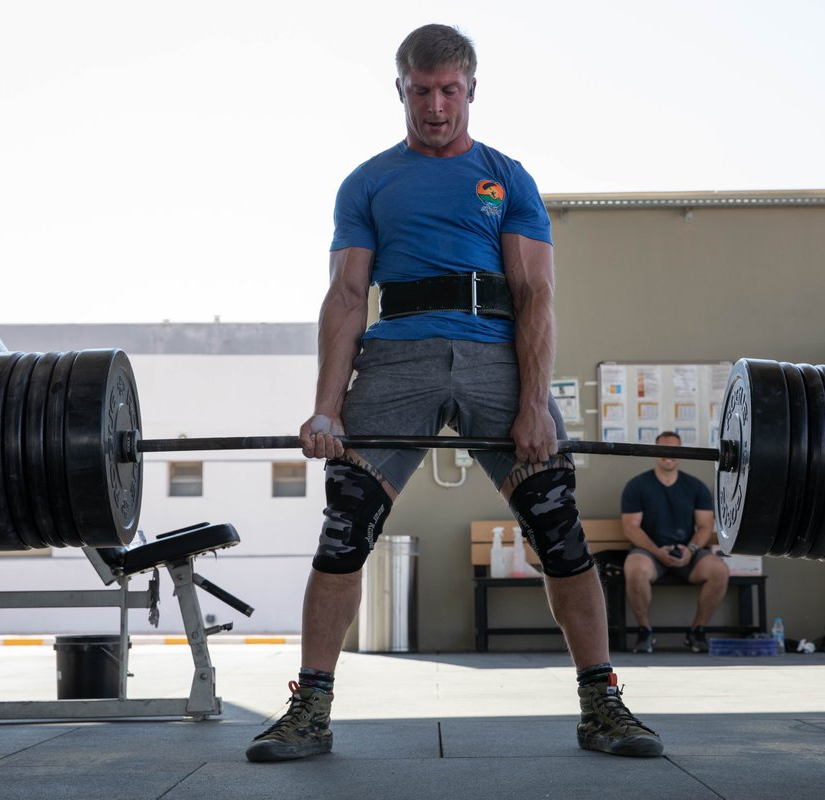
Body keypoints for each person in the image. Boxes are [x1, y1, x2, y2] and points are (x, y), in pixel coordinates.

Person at [245, 24, 662, 763]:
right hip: (397, 357)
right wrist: (326, 407)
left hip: (494, 357)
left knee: (559, 529)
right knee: (345, 531)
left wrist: (535, 403)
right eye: (420, 91)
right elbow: (345, 296)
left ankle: (603, 703)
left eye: (448, 91)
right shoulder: (368, 181)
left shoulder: (509, 176)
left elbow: (535, 294)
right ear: (400, 88)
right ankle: (309, 706)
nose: (435, 106)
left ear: (471, 89)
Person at [620, 431, 729, 653]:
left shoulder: (696, 487)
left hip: (688, 553)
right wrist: (657, 551)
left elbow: (706, 526)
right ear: (654, 452)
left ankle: (697, 631)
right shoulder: (637, 486)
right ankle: (645, 632)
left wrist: (690, 550)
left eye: (674, 450)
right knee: (635, 568)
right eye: (663, 450)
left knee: (719, 570)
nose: (669, 455)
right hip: (650, 553)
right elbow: (631, 527)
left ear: (681, 454)